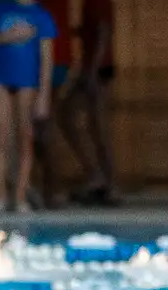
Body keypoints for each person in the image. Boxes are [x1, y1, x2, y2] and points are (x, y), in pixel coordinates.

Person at [0, 0, 52, 211]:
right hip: (1, 78)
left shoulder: (41, 15)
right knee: (1, 136)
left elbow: (47, 58)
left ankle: (20, 197)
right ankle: (0, 195)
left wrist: (44, 95)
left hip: (27, 80)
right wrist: (8, 37)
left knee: (25, 137)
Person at [49, 0, 115, 204]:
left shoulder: (98, 3)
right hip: (90, 68)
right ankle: (96, 176)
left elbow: (104, 32)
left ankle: (110, 185)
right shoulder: (88, 4)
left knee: (97, 128)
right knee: (66, 116)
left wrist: (93, 71)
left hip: (97, 69)